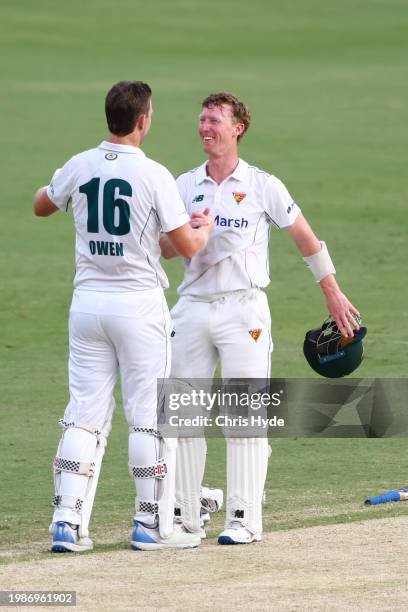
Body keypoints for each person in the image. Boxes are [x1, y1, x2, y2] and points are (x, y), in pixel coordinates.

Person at [160, 92, 360, 544]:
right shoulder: (182, 184)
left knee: (243, 416)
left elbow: (305, 237)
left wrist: (332, 292)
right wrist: (188, 233)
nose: (205, 127)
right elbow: (162, 248)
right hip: (191, 309)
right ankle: (187, 518)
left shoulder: (263, 184)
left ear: (238, 129)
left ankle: (244, 519)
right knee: (183, 417)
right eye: (202, 119)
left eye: (215, 120)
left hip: (243, 310)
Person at [33, 80, 214, 552]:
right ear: (142, 120)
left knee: (84, 418)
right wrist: (203, 227)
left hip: (88, 305)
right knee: (147, 419)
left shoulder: (79, 164)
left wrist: (57, 188)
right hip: (138, 306)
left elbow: (41, 206)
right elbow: (189, 248)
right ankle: (149, 525)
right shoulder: (153, 174)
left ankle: (66, 524)